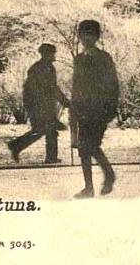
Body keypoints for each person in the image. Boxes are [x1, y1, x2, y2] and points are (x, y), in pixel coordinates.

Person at [71, 19, 119, 199]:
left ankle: (109, 174)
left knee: (91, 145)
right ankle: (89, 187)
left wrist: (110, 109)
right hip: (83, 110)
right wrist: (74, 107)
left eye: (91, 34)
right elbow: (76, 86)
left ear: (97, 37)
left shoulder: (104, 58)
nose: (87, 39)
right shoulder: (79, 59)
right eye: (84, 35)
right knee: (84, 148)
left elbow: (113, 85)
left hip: (100, 110)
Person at [7, 44, 69, 164]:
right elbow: (51, 88)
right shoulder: (43, 68)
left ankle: (17, 146)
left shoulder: (42, 67)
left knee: (44, 130)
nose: (53, 55)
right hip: (40, 105)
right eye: (52, 53)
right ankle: (17, 146)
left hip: (41, 105)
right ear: (46, 54)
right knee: (46, 130)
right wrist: (64, 101)